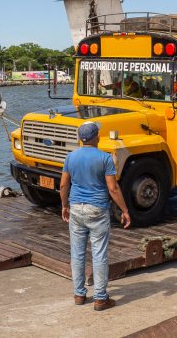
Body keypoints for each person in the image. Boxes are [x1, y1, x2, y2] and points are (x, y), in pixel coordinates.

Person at [60, 121, 130, 311]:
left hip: (76, 208)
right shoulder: (105, 158)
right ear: (95, 137)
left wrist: (64, 205)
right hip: (97, 209)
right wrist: (124, 210)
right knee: (98, 254)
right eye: (98, 134)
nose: (99, 136)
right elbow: (113, 189)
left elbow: (64, 185)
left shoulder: (71, 157)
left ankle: (79, 294)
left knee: (78, 252)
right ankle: (100, 298)